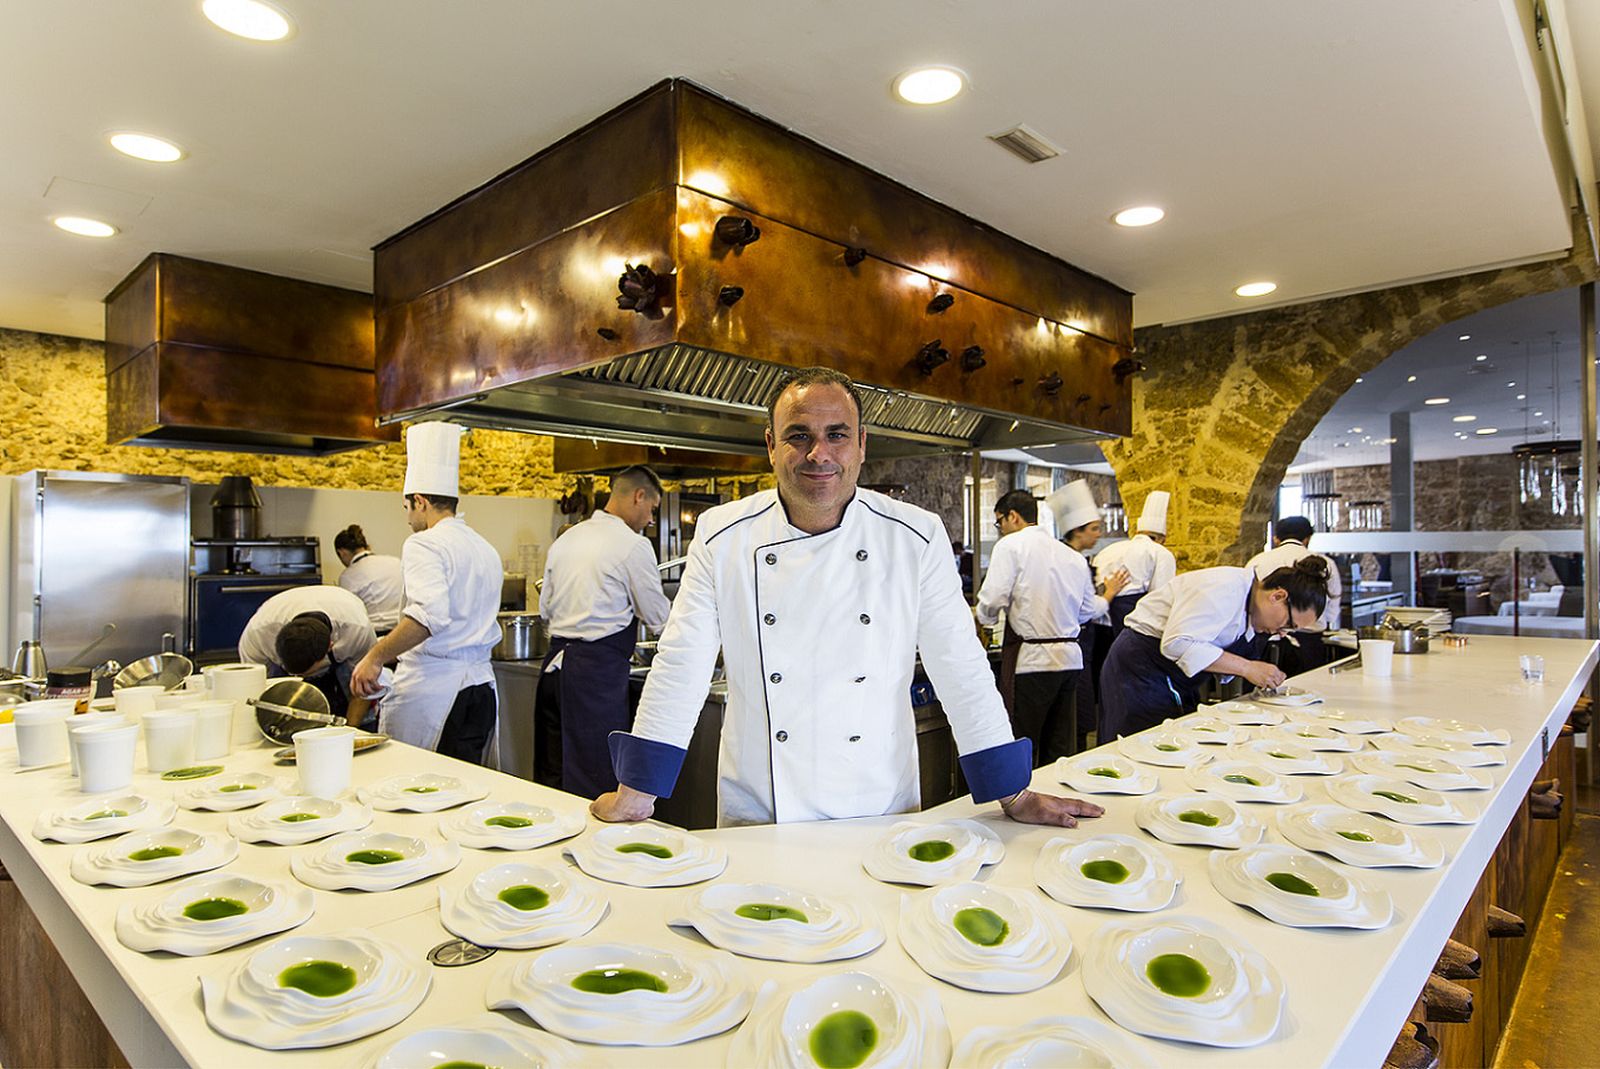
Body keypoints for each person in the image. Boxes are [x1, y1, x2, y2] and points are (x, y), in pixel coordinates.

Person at [589, 365, 1106, 829]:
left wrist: (1010, 790)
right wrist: (639, 790)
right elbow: (682, 662)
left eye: (837, 435)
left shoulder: (915, 537)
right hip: (763, 808)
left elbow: (961, 665)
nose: (820, 454)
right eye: (799, 436)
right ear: (771, 445)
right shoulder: (722, 534)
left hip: (876, 803)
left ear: (862, 443)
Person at [351, 423, 503, 764]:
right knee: (466, 789)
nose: (407, 519)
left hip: (439, 695)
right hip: (480, 690)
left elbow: (428, 617)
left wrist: (374, 657)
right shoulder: (484, 547)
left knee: (422, 789)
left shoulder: (424, 543)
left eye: (406, 508)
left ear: (419, 502)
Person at [535, 465, 672, 798]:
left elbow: (545, 610)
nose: (650, 520)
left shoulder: (568, 538)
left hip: (554, 671)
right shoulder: (632, 545)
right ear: (639, 497)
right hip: (594, 679)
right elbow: (659, 619)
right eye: (652, 509)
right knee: (593, 780)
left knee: (551, 775)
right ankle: (588, 849)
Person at [1099, 556, 1333, 739]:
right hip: (1142, 668)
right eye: (1288, 624)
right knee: (1141, 743)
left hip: (1171, 676)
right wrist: (1247, 668)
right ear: (1278, 596)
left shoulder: (1251, 610)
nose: (1283, 632)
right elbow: (1178, 643)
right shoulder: (1224, 587)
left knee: (1173, 740)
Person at [976, 488, 1127, 767]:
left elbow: (992, 599)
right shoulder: (1072, 557)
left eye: (1000, 522)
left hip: (1033, 663)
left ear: (1013, 517)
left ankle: (1024, 801)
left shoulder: (1010, 546)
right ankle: (1058, 800)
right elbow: (1086, 611)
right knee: (1058, 747)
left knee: (1024, 742)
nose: (1000, 530)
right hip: (1070, 662)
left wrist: (982, 618)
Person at [1047, 479, 1121, 750]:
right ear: (1077, 531)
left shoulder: (1061, 556)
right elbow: (1087, 609)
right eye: (1094, 529)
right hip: (1071, 649)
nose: (1098, 534)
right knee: (1073, 722)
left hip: (1067, 651)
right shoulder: (1074, 560)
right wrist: (1110, 592)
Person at [239, 585, 377, 724]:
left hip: (346, 645)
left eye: (304, 674)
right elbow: (254, 690)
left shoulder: (357, 630)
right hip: (275, 624)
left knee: (359, 708)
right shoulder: (259, 635)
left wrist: (351, 733)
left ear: (330, 646)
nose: (299, 678)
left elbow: (363, 689)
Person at [1246, 515, 1344, 673]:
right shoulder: (1325, 563)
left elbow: (1248, 601)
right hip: (1308, 643)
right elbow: (1332, 608)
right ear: (1307, 538)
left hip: (1261, 642)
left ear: (1276, 539)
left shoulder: (1258, 560)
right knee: (1306, 692)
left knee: (1257, 694)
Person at [1091, 490, 1178, 631]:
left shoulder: (1108, 550)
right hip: (1133, 616)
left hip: (1101, 620)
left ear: (1137, 532)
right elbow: (1160, 597)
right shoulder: (1160, 552)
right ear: (1162, 539)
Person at [333, 524, 404, 633]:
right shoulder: (395, 562)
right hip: (404, 629)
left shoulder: (347, 576)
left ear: (342, 552)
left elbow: (349, 615)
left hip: (377, 633)